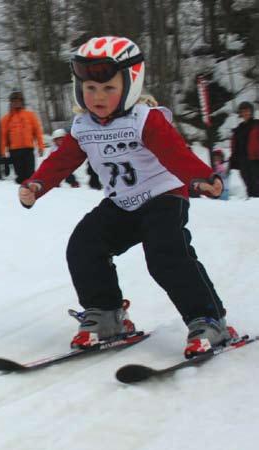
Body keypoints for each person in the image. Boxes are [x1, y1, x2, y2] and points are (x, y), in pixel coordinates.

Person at [19, 36, 237, 358]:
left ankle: (209, 319)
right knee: (84, 245)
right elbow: (62, 160)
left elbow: (174, 153)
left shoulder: (145, 120)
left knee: (165, 255)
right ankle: (106, 314)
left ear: (131, 84)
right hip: (122, 203)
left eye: (108, 88)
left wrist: (201, 178)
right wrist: (37, 184)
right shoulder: (83, 127)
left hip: (163, 198)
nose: (98, 97)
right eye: (90, 88)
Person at [0, 91, 45, 184]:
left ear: (22, 102)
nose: (16, 103)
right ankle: (21, 193)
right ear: (11, 103)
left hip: (28, 150)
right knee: (20, 176)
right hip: (14, 151)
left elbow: (38, 131)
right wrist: (2, 152)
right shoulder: (6, 119)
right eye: (14, 101)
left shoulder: (30, 115)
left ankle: (30, 192)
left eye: (18, 100)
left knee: (30, 174)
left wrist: (41, 146)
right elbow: (2, 137)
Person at [230, 101, 259, 197]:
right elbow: (235, 145)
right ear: (240, 113)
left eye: (247, 111)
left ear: (251, 111)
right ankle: (251, 203)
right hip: (243, 160)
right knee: (248, 183)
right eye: (243, 111)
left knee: (256, 183)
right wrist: (233, 158)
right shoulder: (239, 128)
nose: (245, 113)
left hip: (255, 159)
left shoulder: (257, 125)